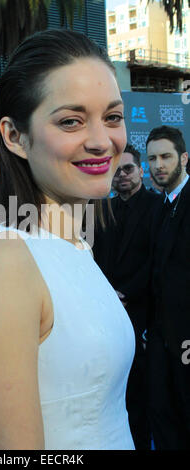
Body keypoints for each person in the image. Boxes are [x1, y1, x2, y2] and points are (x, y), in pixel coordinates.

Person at [0, 29, 135, 450]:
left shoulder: (76, 247)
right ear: (15, 136)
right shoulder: (4, 260)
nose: (100, 140)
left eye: (112, 117)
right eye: (70, 121)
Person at [93, 143, 162, 449]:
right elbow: (94, 258)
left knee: (143, 395)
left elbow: (157, 260)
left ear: (141, 171)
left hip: (144, 315)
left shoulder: (158, 206)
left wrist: (128, 292)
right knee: (113, 391)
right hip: (107, 315)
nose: (121, 175)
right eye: (116, 170)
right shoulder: (101, 209)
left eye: (128, 168)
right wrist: (107, 294)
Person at [146, 125, 190, 450]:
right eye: (152, 158)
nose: (158, 165)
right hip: (162, 335)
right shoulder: (161, 205)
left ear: (184, 158)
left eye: (166, 156)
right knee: (161, 413)